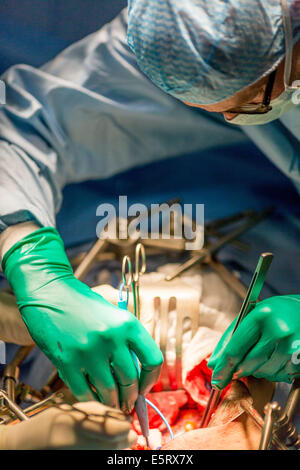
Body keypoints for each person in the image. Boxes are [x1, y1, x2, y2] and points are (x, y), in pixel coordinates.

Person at [0, 0, 299, 413]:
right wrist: (33, 263)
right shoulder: (178, 33)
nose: (226, 117)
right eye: (198, 101)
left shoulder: (254, 34)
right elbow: (21, 127)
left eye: (249, 104)